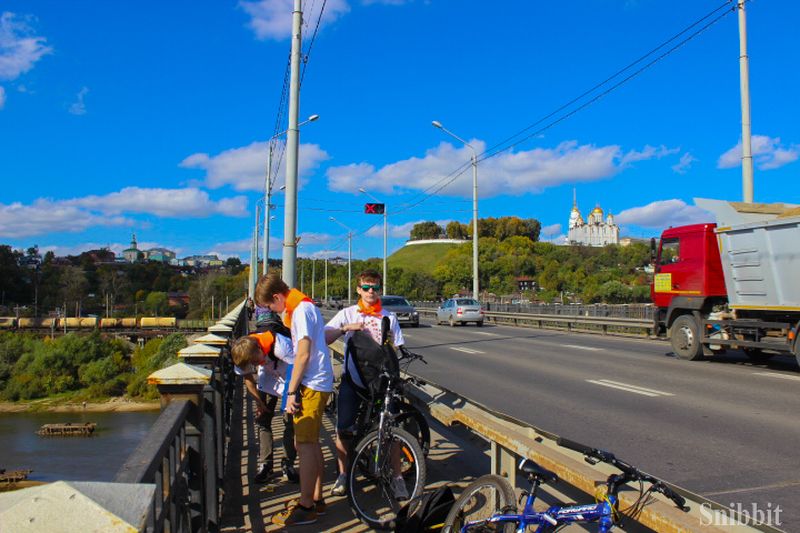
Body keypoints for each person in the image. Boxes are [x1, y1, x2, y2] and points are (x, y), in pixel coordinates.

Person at [256, 272, 334, 527]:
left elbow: (302, 354)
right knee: (310, 444)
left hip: (311, 383)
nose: (274, 312)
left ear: (277, 297)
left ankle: (306, 506)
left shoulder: (299, 311)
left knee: (305, 445)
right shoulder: (305, 306)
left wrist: (290, 391)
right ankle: (316, 499)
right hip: (317, 381)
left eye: (271, 306)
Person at [324, 269, 408, 500]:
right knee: (343, 428)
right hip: (354, 380)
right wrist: (344, 329)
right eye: (367, 287)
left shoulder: (388, 317)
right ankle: (343, 475)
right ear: (359, 289)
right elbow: (324, 337)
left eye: (375, 288)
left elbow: (398, 349)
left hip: (382, 382)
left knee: (391, 430)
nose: (371, 292)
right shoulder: (348, 313)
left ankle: (398, 478)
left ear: (380, 289)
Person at [229, 314, 297, 484]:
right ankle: (265, 465)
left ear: (260, 349)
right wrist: (259, 403)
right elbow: (248, 379)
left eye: (256, 361)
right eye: (252, 364)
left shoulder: (280, 346)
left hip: (288, 377)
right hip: (266, 380)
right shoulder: (243, 356)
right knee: (263, 421)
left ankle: (288, 464)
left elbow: (296, 368)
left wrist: (289, 398)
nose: (256, 364)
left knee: (289, 421)